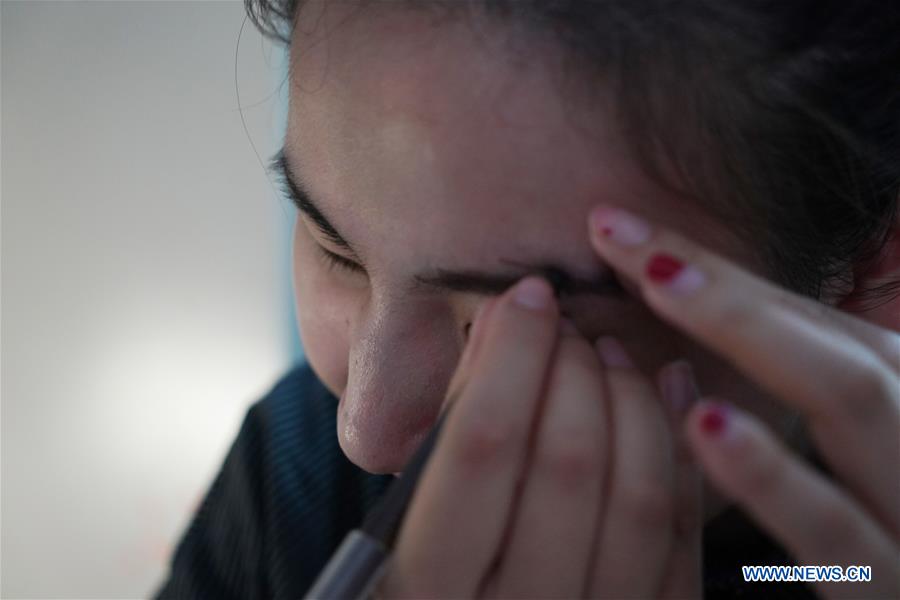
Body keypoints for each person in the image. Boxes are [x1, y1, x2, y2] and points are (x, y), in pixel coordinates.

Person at [154, 0, 900, 598]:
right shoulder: (298, 472)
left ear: (871, 265)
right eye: (334, 250)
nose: (366, 437)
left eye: (528, 318)